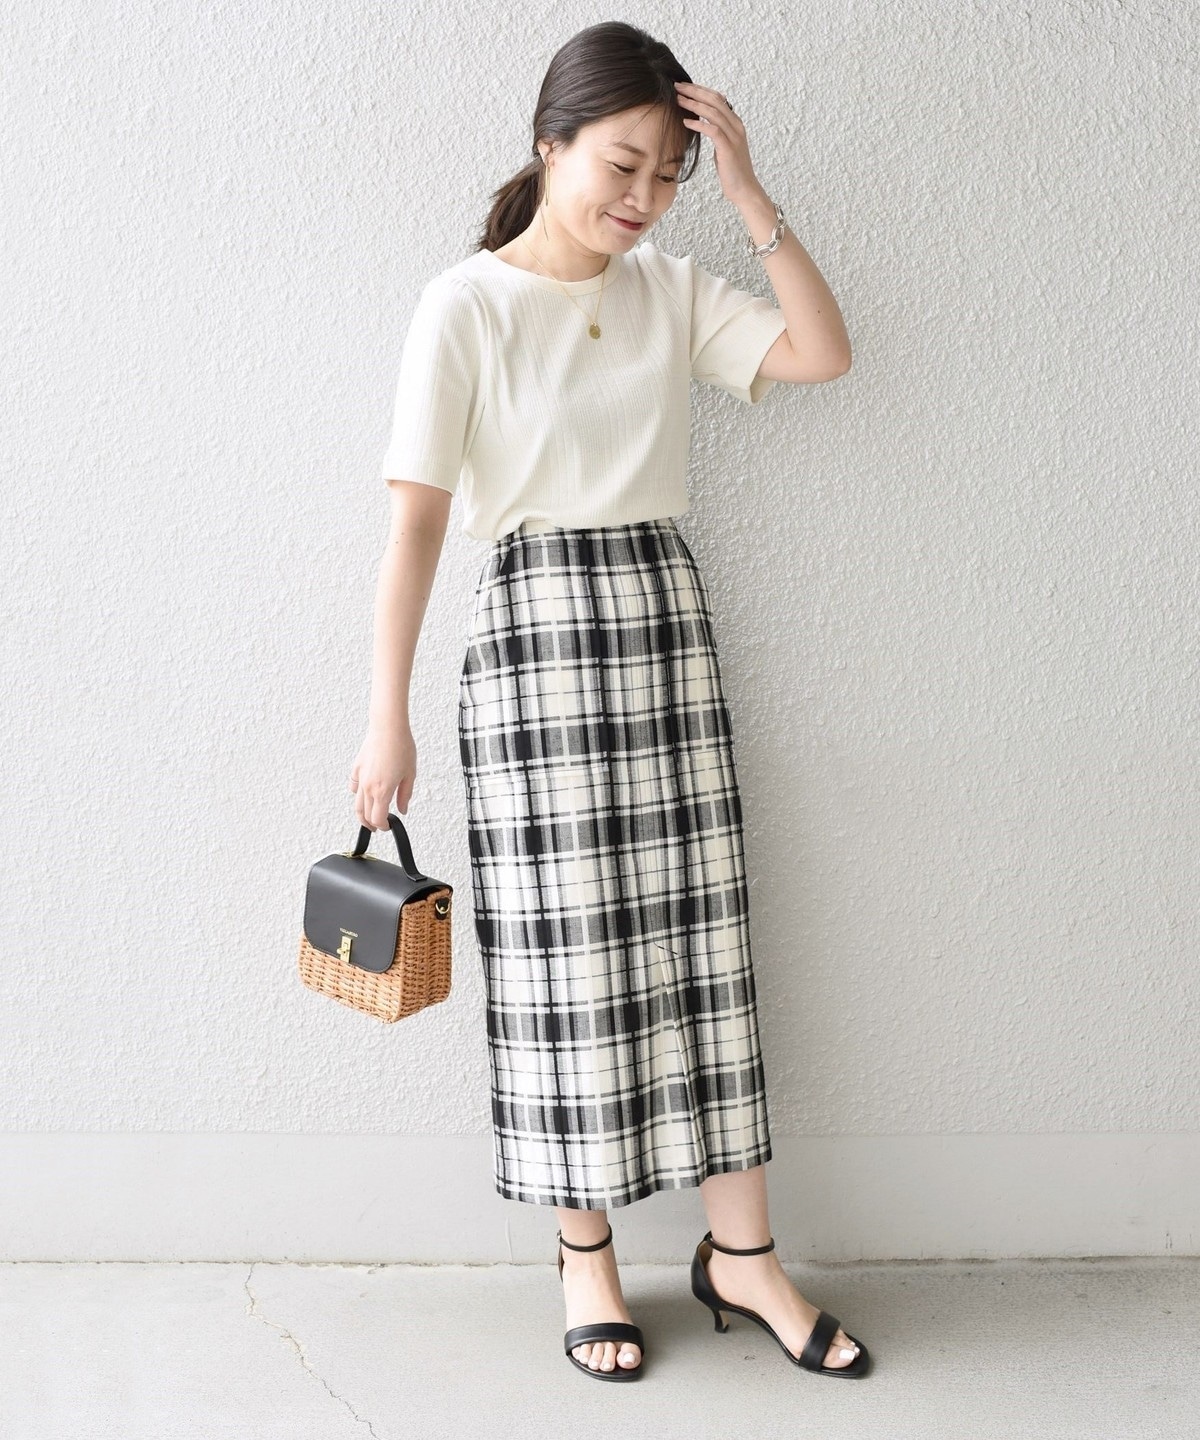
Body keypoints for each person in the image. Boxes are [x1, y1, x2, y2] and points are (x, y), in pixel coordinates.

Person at [350, 21, 869, 1384]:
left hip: (662, 623)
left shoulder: (670, 289)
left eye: (670, 174)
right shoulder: (463, 305)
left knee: (705, 947)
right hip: (533, 636)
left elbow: (822, 353)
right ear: (551, 145)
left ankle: (744, 1257)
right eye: (622, 164)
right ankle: (586, 1257)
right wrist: (386, 714)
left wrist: (750, 197)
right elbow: (415, 525)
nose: (644, 196)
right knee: (564, 962)